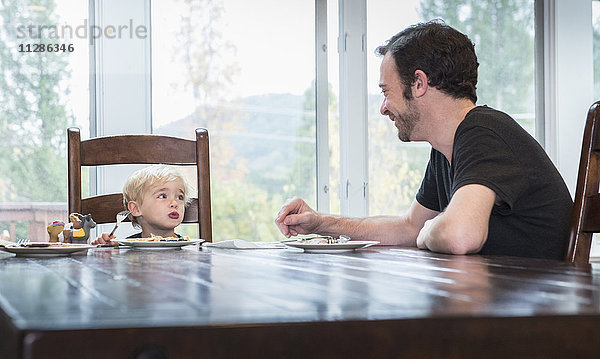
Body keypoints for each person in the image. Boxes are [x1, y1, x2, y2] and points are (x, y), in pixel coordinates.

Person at [275, 20, 573, 260]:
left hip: (539, 323)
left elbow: (460, 236)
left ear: (419, 83)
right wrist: (320, 222)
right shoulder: (447, 148)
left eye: (386, 92)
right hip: (500, 308)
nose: (383, 108)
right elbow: (409, 226)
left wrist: (428, 230)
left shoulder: (483, 132)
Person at [92, 164, 191, 245]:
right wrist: (105, 248)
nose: (174, 203)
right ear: (135, 209)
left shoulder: (190, 247)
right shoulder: (124, 247)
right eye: (163, 196)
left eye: (180, 197)